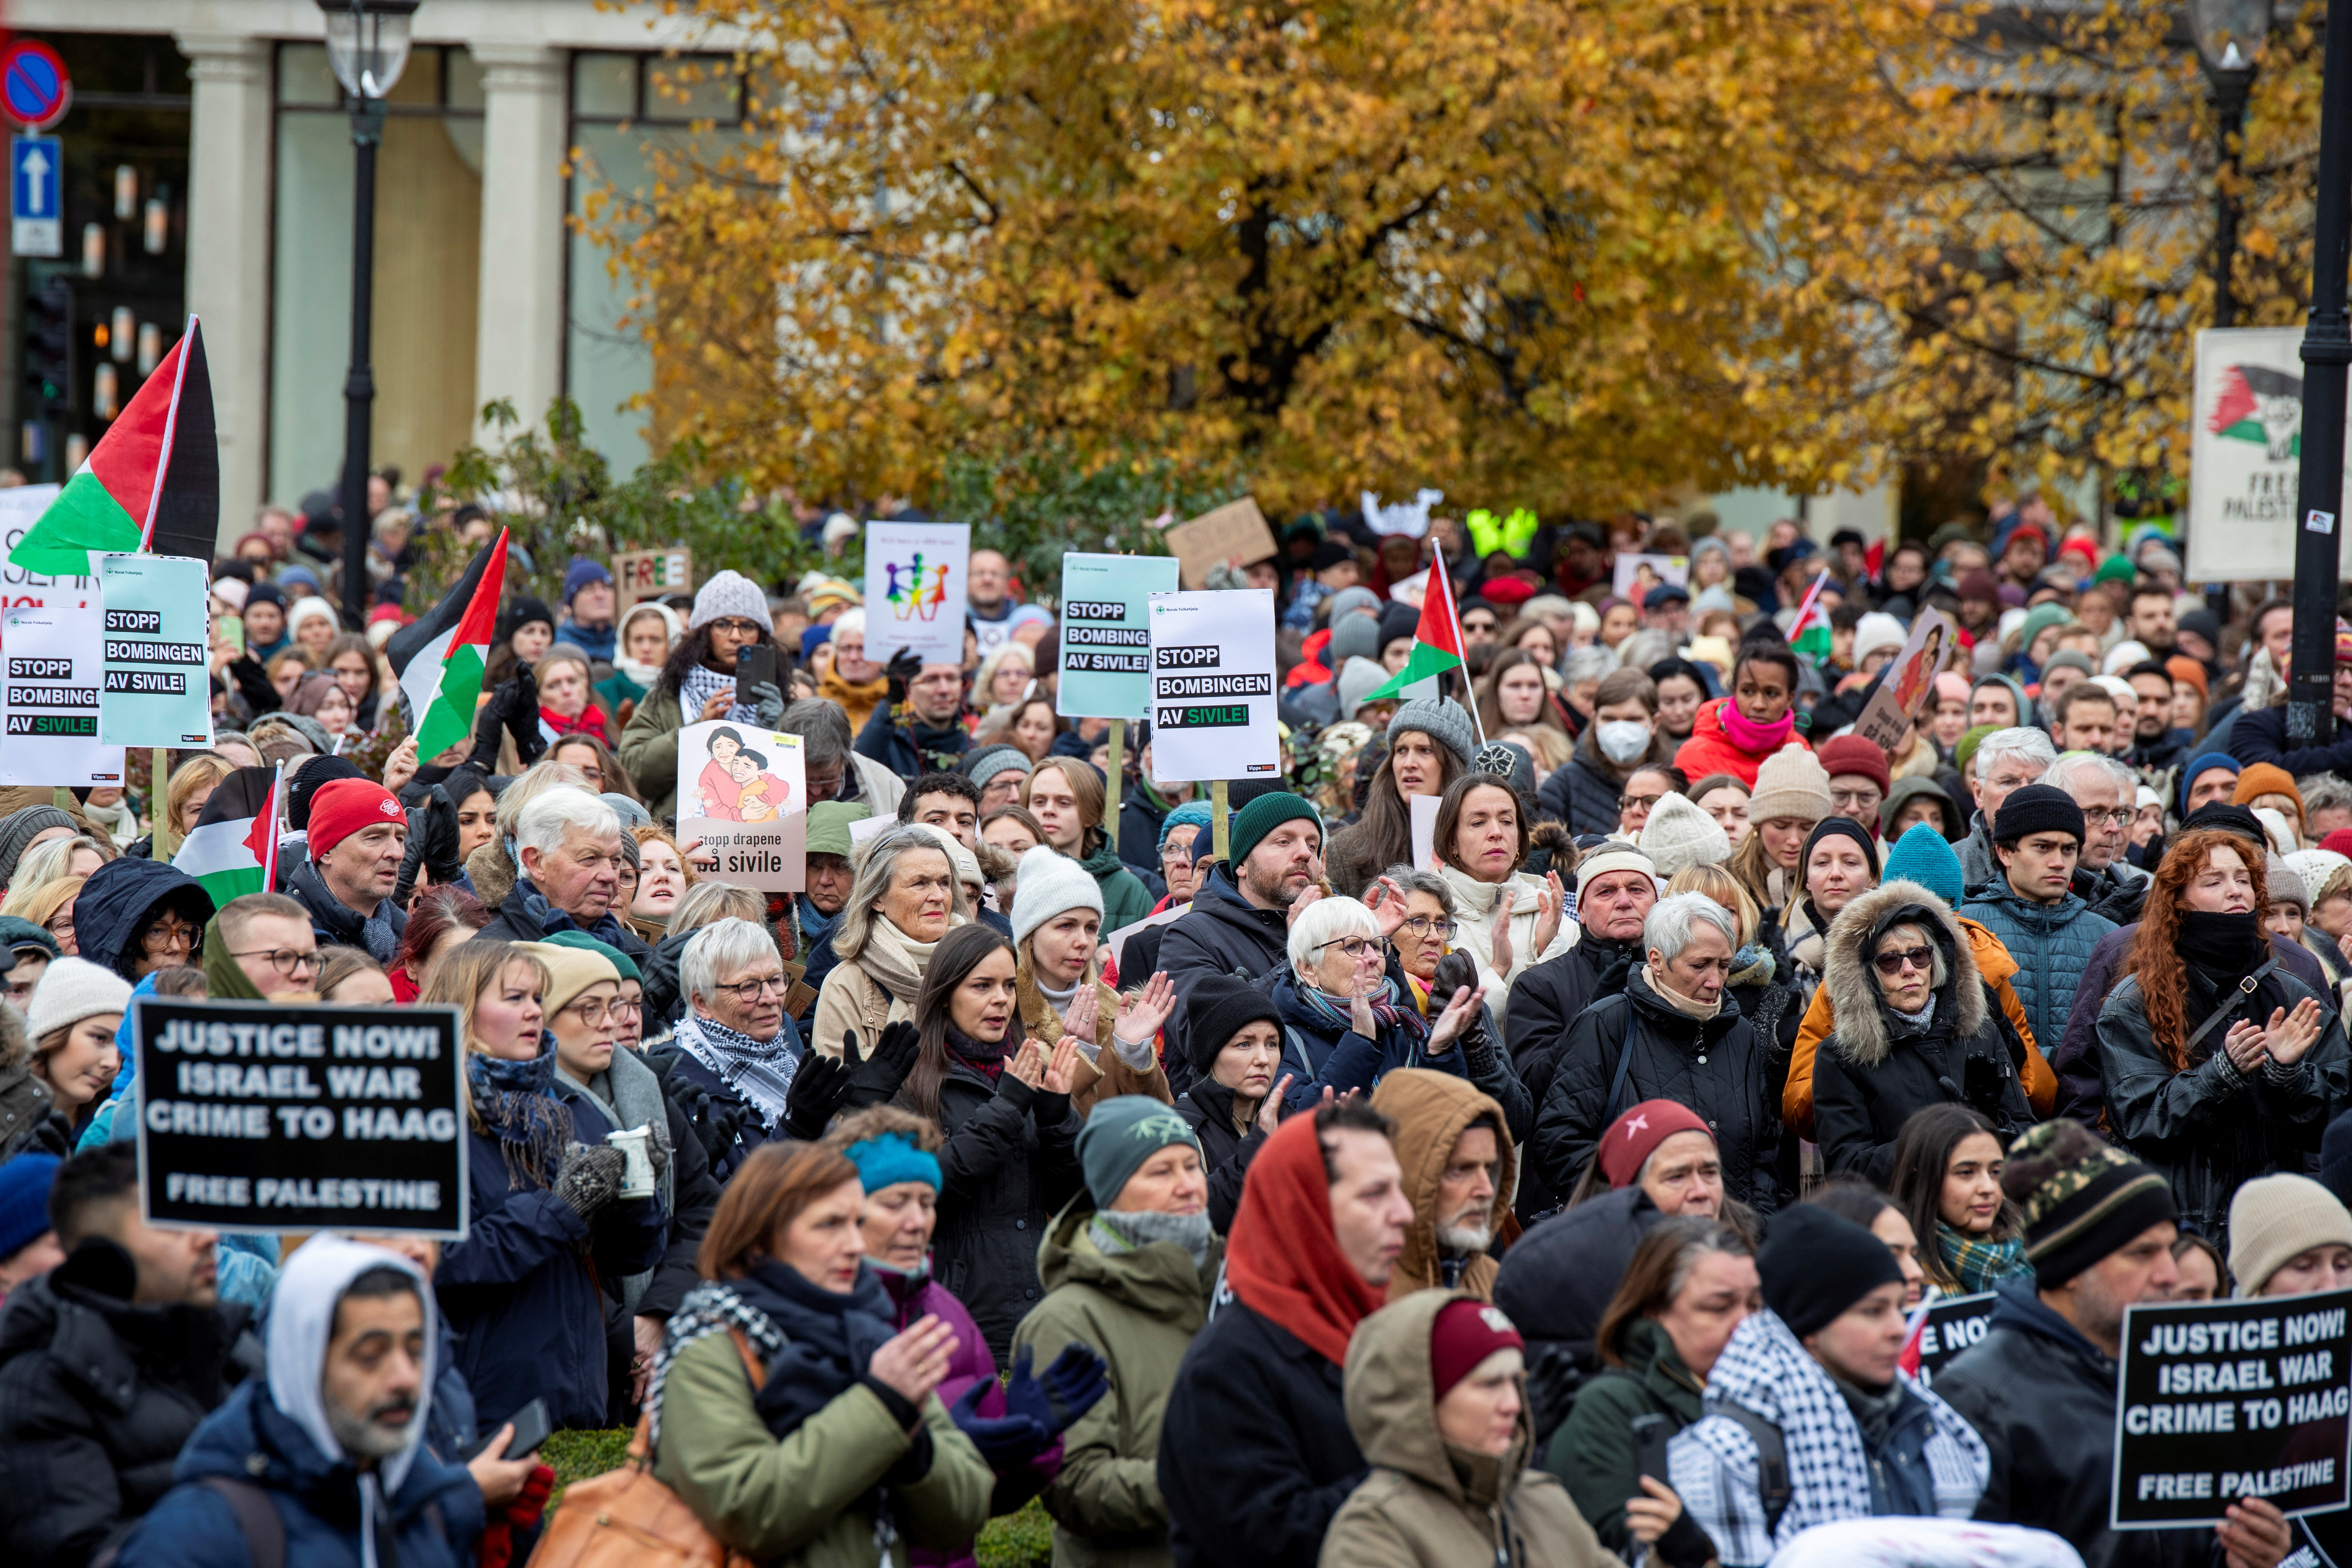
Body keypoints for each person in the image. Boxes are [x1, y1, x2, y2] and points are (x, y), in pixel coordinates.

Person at [1935, 1119, 2293, 1568]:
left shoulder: (2178, 1374)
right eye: (2142, 1253)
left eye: (2169, 1248)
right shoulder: (1979, 1400)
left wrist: (2241, 1558)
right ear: (2070, 1269)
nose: (2170, 1275)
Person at [646, 1142, 996, 1566]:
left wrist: (913, 1443)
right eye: (830, 1225)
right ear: (760, 1239)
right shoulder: (709, 1348)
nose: (854, 1245)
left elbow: (964, 1514)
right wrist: (880, 1408)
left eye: (857, 1223)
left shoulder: (872, 1336)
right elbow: (748, 1512)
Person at [822, 1107, 1099, 1568]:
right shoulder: (809, 1314)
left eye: (927, 1202)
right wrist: (941, 1454)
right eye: (895, 1204)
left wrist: (1029, 1449)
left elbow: (985, 1502)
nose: (917, 1222)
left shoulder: (949, 1315)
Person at [111, 1237, 493, 1568]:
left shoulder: (424, 1509)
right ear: (304, 1361)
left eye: (415, 1351)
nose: (405, 1380)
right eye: (370, 1356)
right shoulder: (205, 1533)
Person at [1156, 1102, 1414, 1568]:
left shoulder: (1386, 1333)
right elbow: (1267, 1539)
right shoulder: (1225, 1370)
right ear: (1306, 1207)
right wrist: (1417, 1472)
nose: (1405, 1214)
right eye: (1375, 1194)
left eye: (1400, 1190)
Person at [423, 939, 667, 1431]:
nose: (534, 1011)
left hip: (579, 1394)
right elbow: (446, 1260)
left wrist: (638, 1189)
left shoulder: (567, 1107)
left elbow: (628, 1260)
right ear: (464, 1008)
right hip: (482, 1407)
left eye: (538, 998)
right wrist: (560, 1208)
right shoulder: (432, 1115)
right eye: (515, 998)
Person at [1666, 1205, 1990, 1565]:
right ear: (1812, 1327)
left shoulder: (1929, 1426)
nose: (1898, 1328)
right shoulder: (1726, 1454)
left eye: (1898, 1307)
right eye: (1873, 1311)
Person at [2098, 828, 2351, 1247]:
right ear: (2179, 900)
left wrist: (2289, 1074)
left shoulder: (2291, 993)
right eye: (2214, 882)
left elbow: (2337, 1114)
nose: (2235, 891)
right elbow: (2141, 1117)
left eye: (2243, 879)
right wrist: (2222, 1073)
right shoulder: (2134, 1001)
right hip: (2180, 1230)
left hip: (2274, 1224)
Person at [0, 1143, 246, 1568]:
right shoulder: (39, 1386)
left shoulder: (234, 1342)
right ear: (103, 1252)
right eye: (170, 1224)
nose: (209, 1237)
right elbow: (83, 1549)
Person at [1013, 1096, 1219, 1568]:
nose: (1188, 1186)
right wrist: (1214, 1484)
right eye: (1161, 1172)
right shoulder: (1066, 1321)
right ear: (1110, 1190)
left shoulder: (1229, 1287)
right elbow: (1076, 1486)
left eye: (1192, 1165)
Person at [533, 937, 725, 1418]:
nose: (612, 1021)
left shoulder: (646, 1088)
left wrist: (658, 1314)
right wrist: (627, 1337)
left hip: (663, 1332)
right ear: (545, 1017)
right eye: (590, 1008)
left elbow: (703, 1211)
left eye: (620, 1005)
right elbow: (544, 1247)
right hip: (573, 1357)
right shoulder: (523, 1111)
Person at [876, 922, 1085, 1357]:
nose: (1000, 1000)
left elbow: (1077, 1200)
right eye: (982, 986)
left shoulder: (1031, 1069)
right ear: (946, 993)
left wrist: (1056, 1117)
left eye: (1009, 986)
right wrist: (1007, 1109)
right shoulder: (910, 1084)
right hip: (959, 1326)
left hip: (1046, 1318)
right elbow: (926, 1190)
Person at [1320, 1290, 1612, 1568]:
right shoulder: (1376, 1528)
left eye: (1514, 1381)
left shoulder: (1545, 1503)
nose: (1514, 1404)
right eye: (1490, 1384)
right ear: (1423, 1399)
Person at [1534, 892, 1784, 1212]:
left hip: (1728, 1244)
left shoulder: (1740, 1033)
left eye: (1724, 965)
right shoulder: (1606, 1024)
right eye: (1699, 965)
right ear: (1656, 960)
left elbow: (1763, 1152)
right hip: (1638, 1246)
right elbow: (1560, 1143)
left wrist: (1755, 1223)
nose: (1715, 981)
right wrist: (1639, 1212)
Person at [1550, 1218, 1758, 1556]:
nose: (1745, 1324)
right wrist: (1684, 1546)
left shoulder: (1779, 1395)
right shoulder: (1607, 1407)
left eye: (1754, 1306)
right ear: (1655, 1313)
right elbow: (1599, 1546)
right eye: (1719, 1308)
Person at [1810, 879, 2033, 1184]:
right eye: (1889, 960)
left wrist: (1992, 1123)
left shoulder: (1981, 1033)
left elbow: (2027, 1140)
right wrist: (1942, 1137)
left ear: (1936, 961)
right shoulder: (1841, 1056)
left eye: (1919, 955)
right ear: (1866, 975)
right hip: (1903, 1220)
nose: (1909, 969)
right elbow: (1849, 1168)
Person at [1504, 844, 1658, 1219]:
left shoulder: (1682, 978)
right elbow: (1530, 1091)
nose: (1623, 901)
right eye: (1606, 892)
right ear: (1583, 913)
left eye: (1637, 890)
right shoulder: (1539, 985)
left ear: (1658, 904)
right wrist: (1591, 1017)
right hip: (1563, 1195)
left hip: (1664, 1180)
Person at [2226, 1174, 2352, 1567]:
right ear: (2258, 1285)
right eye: (2304, 1266)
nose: (2330, 1282)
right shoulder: (2216, 1392)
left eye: (2344, 1263)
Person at [1157, 792, 1323, 1072]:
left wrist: (1379, 950)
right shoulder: (1189, 936)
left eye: (1313, 844)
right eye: (1284, 841)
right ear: (1243, 863)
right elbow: (1202, 1033)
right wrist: (1297, 955)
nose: (1305, 853)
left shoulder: (1336, 926)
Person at [1009, 846, 1173, 1113]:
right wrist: (1081, 1053)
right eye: (1066, 926)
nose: (1083, 942)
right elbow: (1028, 1121)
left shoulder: (1115, 1010)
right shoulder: (1006, 1009)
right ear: (1030, 934)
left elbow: (1162, 1116)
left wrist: (1135, 1054)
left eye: (1091, 928)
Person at [1957, 784, 2117, 1050]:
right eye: (2043, 847)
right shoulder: (1967, 930)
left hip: (2084, 1091)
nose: (2058, 862)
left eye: (2069, 849)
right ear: (2005, 852)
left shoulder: (2109, 938)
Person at [618, 571, 787, 818]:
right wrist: (697, 731)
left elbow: (799, 784)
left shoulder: (781, 697)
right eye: (723, 624)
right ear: (703, 632)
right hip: (679, 843)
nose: (736, 636)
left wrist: (774, 732)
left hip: (762, 843)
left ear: (761, 634)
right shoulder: (670, 694)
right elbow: (634, 772)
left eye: (748, 626)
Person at [658, 916, 802, 1182]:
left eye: (775, 980)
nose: (770, 998)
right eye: (748, 987)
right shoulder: (676, 1083)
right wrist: (795, 1130)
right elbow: (721, 1210)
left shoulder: (788, 1061)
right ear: (702, 1003)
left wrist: (858, 1106)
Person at [812, 826, 968, 1061]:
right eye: (920, 883)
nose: (938, 896)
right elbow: (837, 1085)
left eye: (944, 883)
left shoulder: (979, 965)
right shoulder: (846, 983)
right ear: (877, 899)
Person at [1430, 772, 1568, 1020]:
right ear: (1452, 842)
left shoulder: (1553, 912)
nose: (1496, 832)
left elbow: (1570, 1014)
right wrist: (1498, 970)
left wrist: (1547, 949)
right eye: (1478, 823)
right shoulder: (1429, 916)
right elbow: (1439, 1027)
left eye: (1506, 821)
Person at [1369, 1067, 1515, 1300]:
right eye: (1460, 1170)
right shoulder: (1362, 1294)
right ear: (1408, 1172)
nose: (1486, 1190)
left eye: (1489, 1168)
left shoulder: (1496, 1282)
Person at [1170, 976, 1289, 1233]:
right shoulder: (1180, 1129)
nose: (1262, 1059)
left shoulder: (1288, 1119)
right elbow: (1195, 1222)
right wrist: (1259, 1145)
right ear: (1211, 1053)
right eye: (1244, 1044)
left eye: (1272, 1044)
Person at [474, 788, 648, 962]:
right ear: (535, 862)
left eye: (615, 861)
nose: (609, 876)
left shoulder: (641, 957)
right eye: (590, 858)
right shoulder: (488, 959)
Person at [1323, 699, 1473, 899]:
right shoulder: (1346, 851)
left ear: (1451, 764)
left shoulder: (1480, 840)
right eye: (1401, 750)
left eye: (1425, 751)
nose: (1409, 763)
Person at [1888, 1103, 2030, 1295]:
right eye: (1966, 1173)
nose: (1988, 1188)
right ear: (1923, 1177)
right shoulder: (1898, 1277)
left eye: (1996, 1172)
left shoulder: (2035, 1249)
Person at [284, 776, 409, 964]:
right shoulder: (283, 934)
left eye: (400, 838)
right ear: (326, 851)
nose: (397, 853)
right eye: (375, 838)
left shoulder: (413, 937)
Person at [1021, 759, 1152, 932]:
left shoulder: (1129, 891)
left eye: (1064, 803)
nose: (1049, 810)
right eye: (1039, 802)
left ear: (1090, 814)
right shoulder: (1004, 880)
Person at [1538, 668, 1672, 836]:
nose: (1620, 730)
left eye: (1633, 719)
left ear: (1655, 723)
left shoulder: (1675, 779)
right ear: (1595, 720)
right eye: (1609, 719)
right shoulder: (1563, 785)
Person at [1672, 643, 1811, 787]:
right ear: (1734, 691)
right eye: (1748, 692)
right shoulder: (1694, 754)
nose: (1759, 705)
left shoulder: (1802, 753)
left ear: (1789, 699)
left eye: (1772, 694)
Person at [1727, 745, 1833, 915]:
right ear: (1758, 824)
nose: (1794, 840)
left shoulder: (1836, 879)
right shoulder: (1729, 878)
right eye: (1781, 826)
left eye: (1807, 828)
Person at [1954, 726, 2058, 891]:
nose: (2024, 793)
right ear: (1979, 793)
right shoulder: (1949, 866)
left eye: (2036, 782)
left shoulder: (2075, 861)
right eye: (2009, 782)